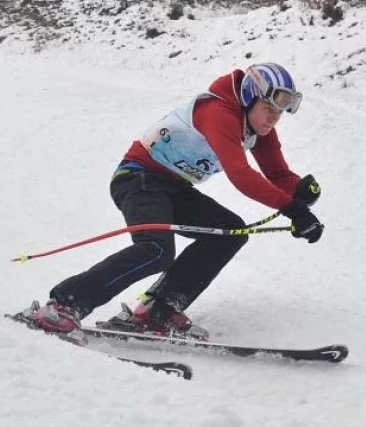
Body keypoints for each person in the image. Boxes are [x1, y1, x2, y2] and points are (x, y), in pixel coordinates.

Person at [26, 62, 324, 340]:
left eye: (280, 112)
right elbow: (241, 175)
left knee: (230, 233)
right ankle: (62, 306)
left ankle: (158, 310)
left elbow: (277, 173)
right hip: (138, 178)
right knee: (156, 250)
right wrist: (291, 208)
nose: (274, 117)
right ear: (248, 99)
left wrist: (299, 192)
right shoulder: (218, 113)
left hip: (174, 187)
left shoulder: (259, 128)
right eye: (267, 108)